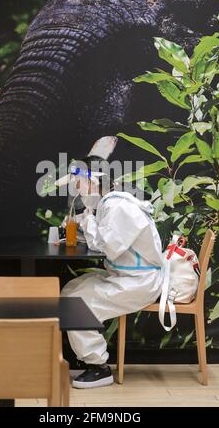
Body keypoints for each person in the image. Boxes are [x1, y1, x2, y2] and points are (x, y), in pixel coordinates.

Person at [59, 155, 164, 389]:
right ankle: (88, 353)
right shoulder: (110, 204)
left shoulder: (119, 207)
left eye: (79, 183)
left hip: (139, 282)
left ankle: (99, 367)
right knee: (70, 289)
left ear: (94, 182)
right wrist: (86, 217)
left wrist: (86, 217)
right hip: (125, 276)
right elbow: (104, 243)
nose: (76, 188)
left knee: (74, 303)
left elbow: (110, 248)